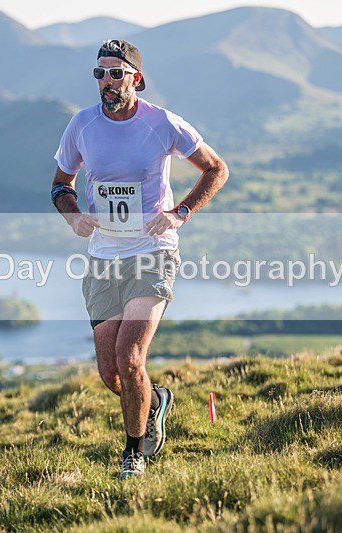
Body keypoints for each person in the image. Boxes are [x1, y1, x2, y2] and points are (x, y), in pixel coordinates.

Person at [51, 39, 228, 478]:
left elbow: (216, 169)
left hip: (152, 252)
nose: (106, 82)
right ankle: (157, 399)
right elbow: (60, 185)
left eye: (115, 73)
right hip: (103, 258)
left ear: (136, 78)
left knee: (131, 359)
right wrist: (73, 218)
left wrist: (180, 212)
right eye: (99, 74)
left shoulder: (163, 123)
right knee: (112, 374)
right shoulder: (81, 125)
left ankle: (134, 455)